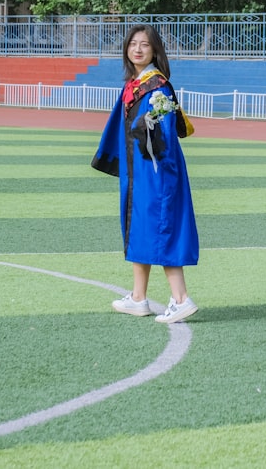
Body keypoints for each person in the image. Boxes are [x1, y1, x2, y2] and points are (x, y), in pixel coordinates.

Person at [92, 24, 200, 323]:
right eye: (133, 44)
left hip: (156, 171)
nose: (138, 49)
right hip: (139, 170)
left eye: (145, 45)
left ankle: (181, 299)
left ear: (155, 51)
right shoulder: (135, 84)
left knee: (161, 228)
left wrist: (148, 126)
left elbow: (162, 135)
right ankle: (139, 297)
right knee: (139, 227)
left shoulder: (157, 86)